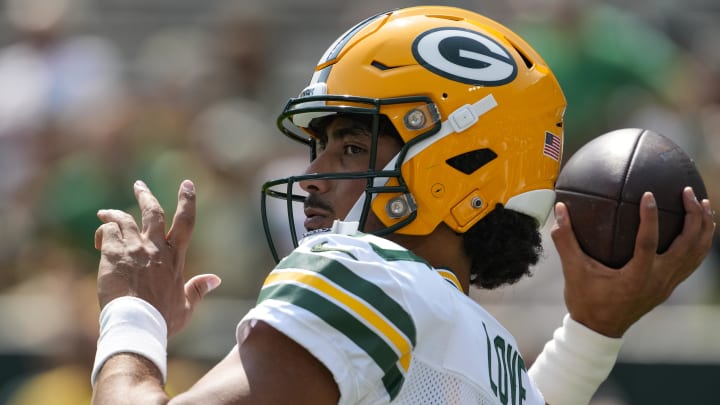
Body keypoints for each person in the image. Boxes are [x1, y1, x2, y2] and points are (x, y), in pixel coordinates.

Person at [89, 6, 715, 405]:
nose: (310, 176)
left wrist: (131, 315)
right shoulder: (484, 349)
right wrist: (594, 332)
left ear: (460, 164)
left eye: (351, 145)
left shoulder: (364, 272)